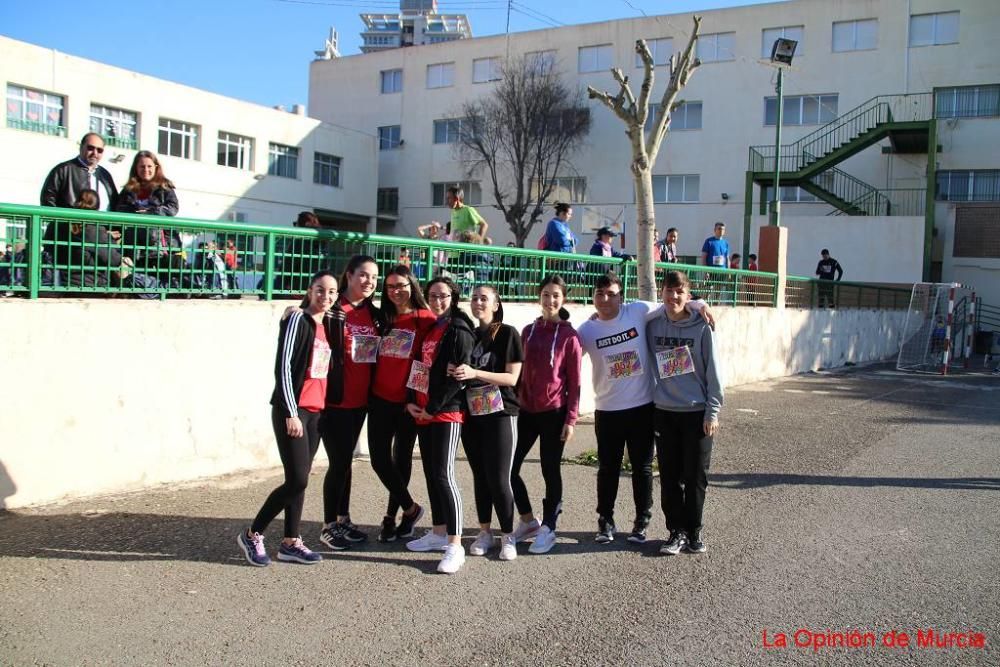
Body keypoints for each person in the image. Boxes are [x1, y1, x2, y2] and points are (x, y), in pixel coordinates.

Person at [577, 271, 713, 545]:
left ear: (621, 297)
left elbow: (673, 303)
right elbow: (566, 358)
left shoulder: (637, 312)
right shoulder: (587, 330)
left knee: (643, 468)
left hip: (643, 407)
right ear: (593, 297)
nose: (605, 299)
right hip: (607, 409)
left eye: (612, 294)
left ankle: (642, 521)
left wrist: (701, 304)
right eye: (600, 294)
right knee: (607, 468)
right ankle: (606, 520)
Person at [238, 270, 339, 566]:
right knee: (296, 479)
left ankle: (290, 542)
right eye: (320, 290)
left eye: (332, 292)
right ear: (310, 291)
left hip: (316, 413)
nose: (326, 296)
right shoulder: (298, 318)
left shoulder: (328, 323)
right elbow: (282, 366)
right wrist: (291, 411)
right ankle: (252, 533)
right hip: (293, 411)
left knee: (301, 480)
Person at [646, 270, 723, 555]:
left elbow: (714, 373)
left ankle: (694, 531)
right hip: (664, 412)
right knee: (669, 476)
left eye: (680, 292)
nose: (674, 296)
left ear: (688, 296)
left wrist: (712, 412)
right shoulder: (652, 325)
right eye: (669, 290)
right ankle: (675, 531)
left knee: (696, 476)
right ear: (662, 293)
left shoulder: (702, 328)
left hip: (697, 412)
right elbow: (624, 312)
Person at [404, 276, 476, 574]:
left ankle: (455, 544)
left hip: (445, 413)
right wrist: (412, 400)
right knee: (431, 474)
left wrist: (431, 409)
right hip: (423, 411)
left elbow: (457, 379)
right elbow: (420, 367)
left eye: (443, 296)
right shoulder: (433, 327)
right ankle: (437, 531)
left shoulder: (459, 330)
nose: (437, 301)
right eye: (432, 295)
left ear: (453, 297)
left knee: (445, 475)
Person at [510, 275, 582, 554]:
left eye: (556, 296)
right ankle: (528, 520)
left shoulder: (569, 336)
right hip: (525, 411)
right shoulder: (527, 331)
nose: (550, 300)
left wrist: (571, 419)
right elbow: (518, 371)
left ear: (563, 300)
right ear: (538, 297)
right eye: (546, 295)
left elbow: (575, 382)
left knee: (549, 469)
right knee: (508, 469)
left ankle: (549, 525)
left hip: (554, 413)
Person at [317, 255, 386, 550]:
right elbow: (307, 316)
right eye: (363, 275)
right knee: (338, 462)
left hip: (361, 401)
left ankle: (343, 518)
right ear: (348, 275)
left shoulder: (374, 313)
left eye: (373, 277)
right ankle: (329, 525)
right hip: (334, 400)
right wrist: (291, 310)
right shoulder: (332, 309)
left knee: (346, 463)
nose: (369, 281)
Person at [452, 285, 523, 561]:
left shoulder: (507, 333)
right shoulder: (469, 335)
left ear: (496, 304)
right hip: (473, 415)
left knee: (499, 477)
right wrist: (457, 372)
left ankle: (508, 536)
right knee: (480, 476)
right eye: (475, 298)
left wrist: (475, 371)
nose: (478, 302)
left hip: (501, 415)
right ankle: (485, 532)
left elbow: (511, 378)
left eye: (484, 298)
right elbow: (464, 373)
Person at [368, 265, 433, 542]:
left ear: (412, 286)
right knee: (379, 459)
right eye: (390, 286)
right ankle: (411, 508)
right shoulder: (383, 318)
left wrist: (411, 399)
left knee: (401, 458)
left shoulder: (425, 319)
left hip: (406, 403)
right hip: (379, 399)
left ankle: (391, 516)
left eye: (401, 285)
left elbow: (426, 362)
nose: (396, 291)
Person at [116, 151, 182, 283]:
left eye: (149, 166)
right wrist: (134, 214)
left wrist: (151, 213)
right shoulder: (128, 190)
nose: (146, 169)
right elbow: (119, 209)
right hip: (135, 247)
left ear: (156, 167)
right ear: (136, 168)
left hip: (161, 247)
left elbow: (173, 207)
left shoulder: (165, 187)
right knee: (137, 281)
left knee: (161, 282)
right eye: (142, 166)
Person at [40, 132, 118, 211]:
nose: (95, 153)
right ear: (81, 147)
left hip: (102, 223)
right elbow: (48, 199)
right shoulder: (63, 170)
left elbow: (115, 202)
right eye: (90, 148)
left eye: (99, 150)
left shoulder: (105, 175)